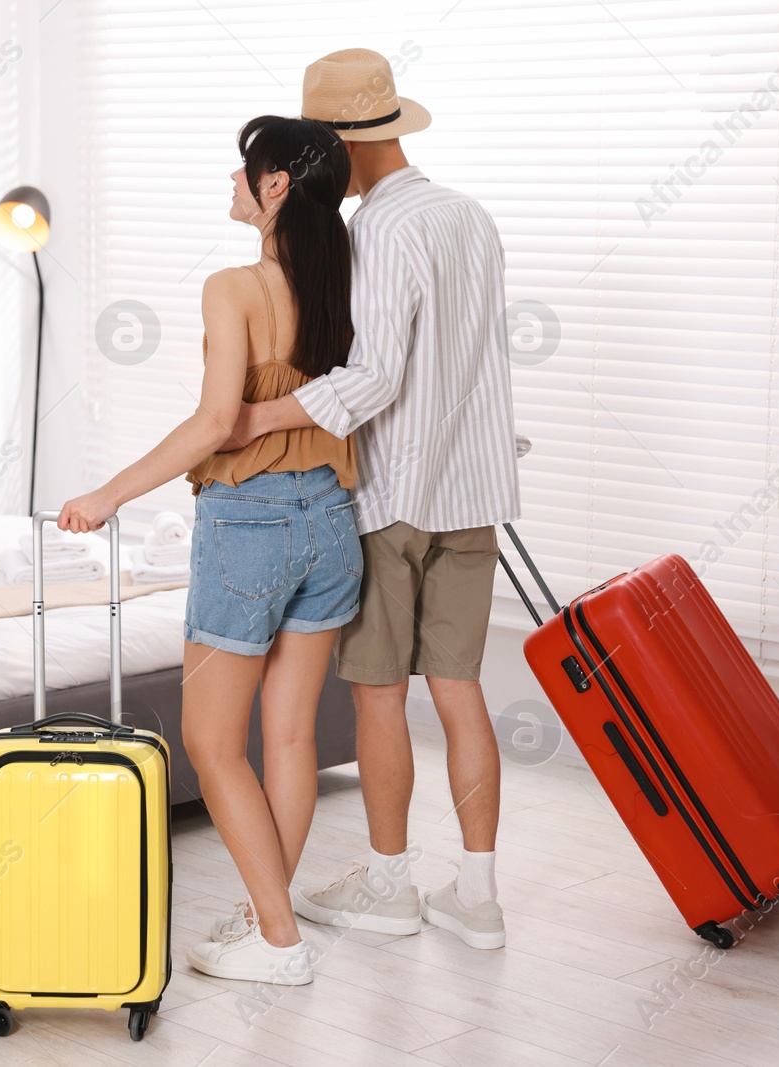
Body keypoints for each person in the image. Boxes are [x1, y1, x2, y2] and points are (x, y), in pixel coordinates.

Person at [223, 48, 521, 950]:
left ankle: (390, 885)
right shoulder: (469, 216)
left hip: (393, 496)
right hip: (475, 491)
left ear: (347, 144)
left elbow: (377, 375)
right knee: (462, 690)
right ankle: (477, 897)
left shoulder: (382, 231)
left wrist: (254, 415)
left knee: (381, 698)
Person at [58, 115, 360, 985]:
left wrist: (107, 494)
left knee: (212, 743)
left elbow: (216, 422)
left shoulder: (235, 286)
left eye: (244, 170)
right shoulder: (340, 283)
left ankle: (279, 942)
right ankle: (269, 924)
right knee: (291, 737)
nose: (232, 182)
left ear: (276, 188)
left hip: (251, 527)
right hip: (331, 519)